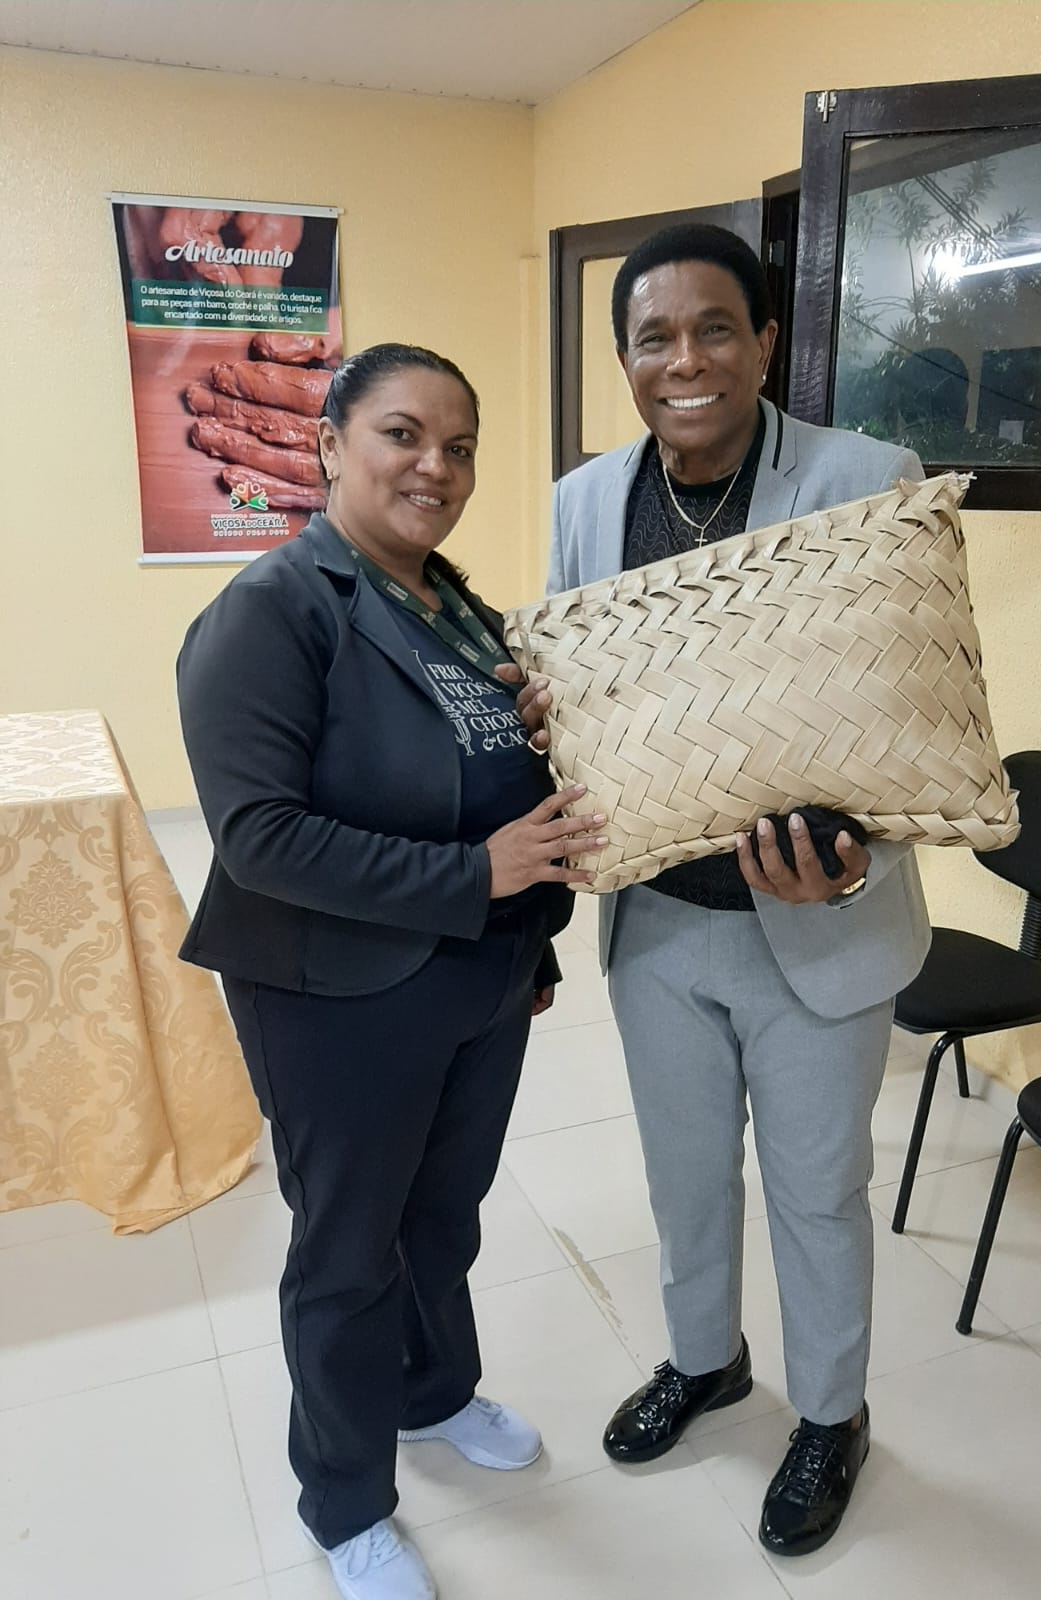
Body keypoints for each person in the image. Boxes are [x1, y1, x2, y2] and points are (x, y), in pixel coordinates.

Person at [177, 342, 606, 1600]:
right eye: (402, 435)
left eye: (459, 446)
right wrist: (478, 875)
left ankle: (434, 1392)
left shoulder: (457, 606)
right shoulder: (273, 611)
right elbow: (260, 839)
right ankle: (346, 1501)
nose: (436, 467)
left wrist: (527, 937)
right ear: (329, 446)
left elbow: (504, 791)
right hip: (335, 994)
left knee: (442, 1218)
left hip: (477, 978)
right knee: (349, 1249)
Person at [542, 226, 932, 1558]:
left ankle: (830, 1414)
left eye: (715, 327)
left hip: (817, 925)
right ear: (625, 360)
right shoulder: (585, 502)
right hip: (659, 923)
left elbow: (915, 713)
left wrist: (859, 861)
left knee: (816, 1190)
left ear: (766, 341)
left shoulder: (864, 479)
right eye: (654, 338)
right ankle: (705, 1361)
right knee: (685, 1177)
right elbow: (577, 695)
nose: (686, 361)